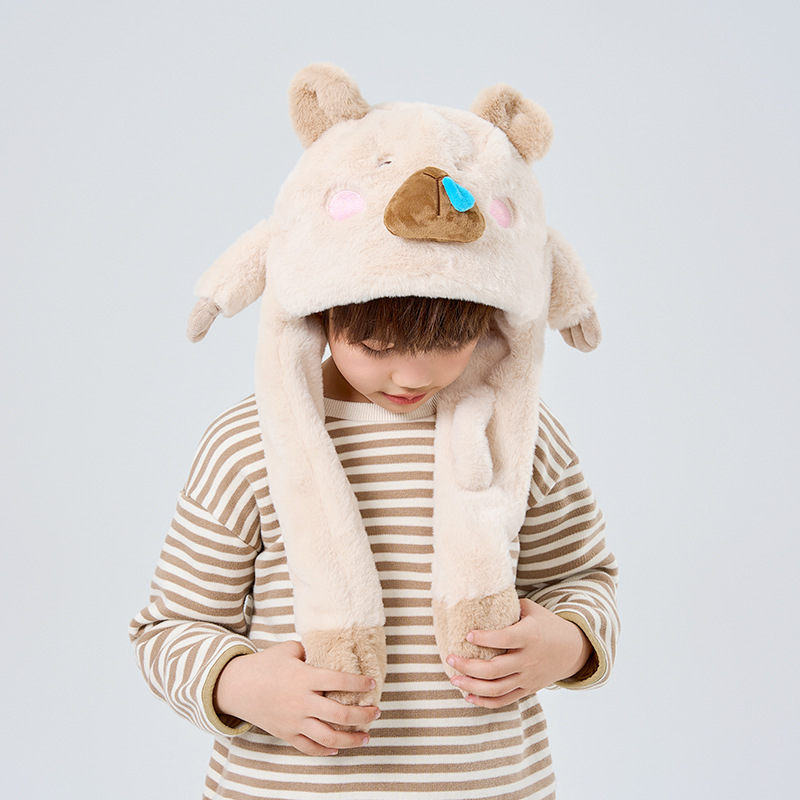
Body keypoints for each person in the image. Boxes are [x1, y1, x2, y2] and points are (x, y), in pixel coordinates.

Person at [130, 63, 619, 799]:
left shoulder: (521, 434)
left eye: (448, 343)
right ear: (320, 310)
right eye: (375, 346)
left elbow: (586, 579)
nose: (410, 376)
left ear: (495, 318)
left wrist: (570, 643)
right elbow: (168, 628)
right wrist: (240, 684)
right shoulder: (246, 443)